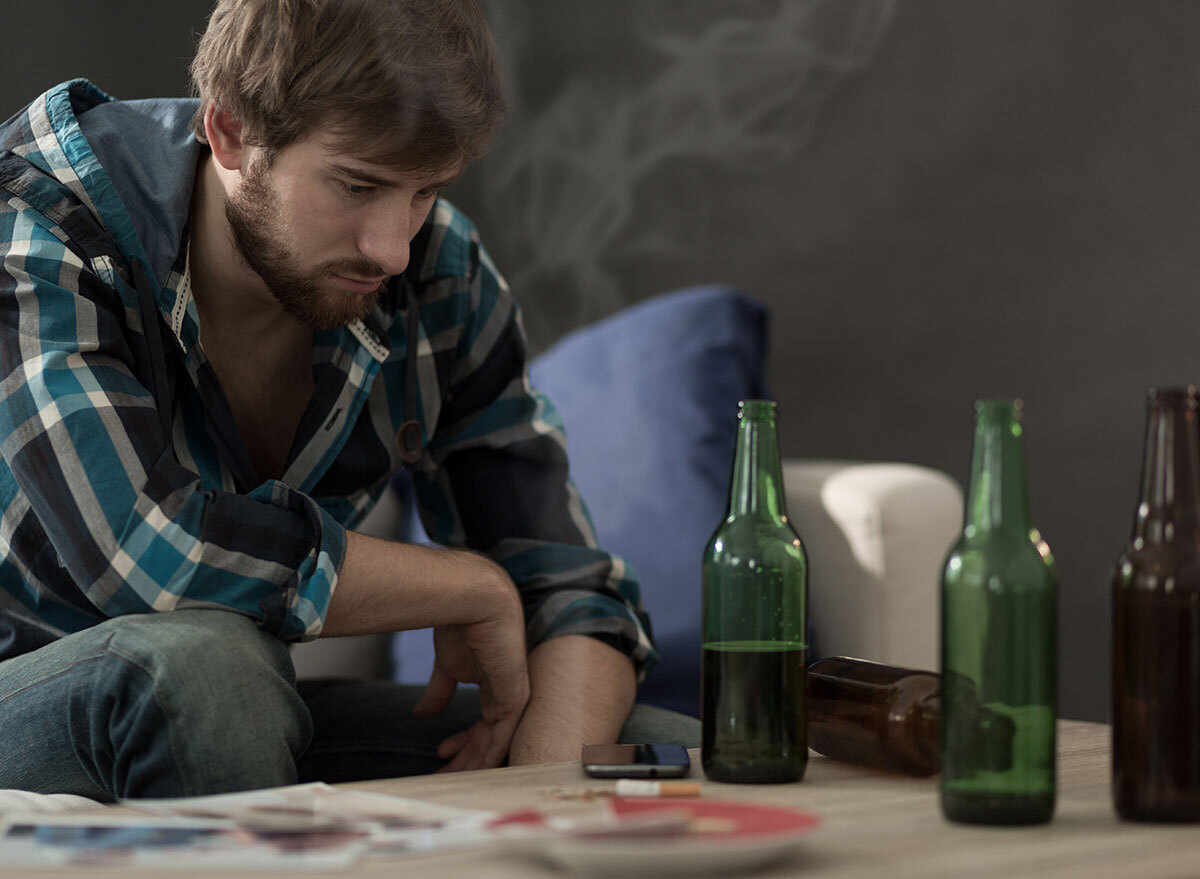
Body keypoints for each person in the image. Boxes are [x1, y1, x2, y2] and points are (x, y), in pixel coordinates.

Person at [0, 0, 696, 801]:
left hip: (246, 710)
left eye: (425, 192)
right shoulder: (41, 227)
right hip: (39, 697)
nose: (391, 247)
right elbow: (141, 548)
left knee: (670, 755)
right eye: (357, 184)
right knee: (206, 667)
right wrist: (467, 583)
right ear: (228, 131)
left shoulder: (438, 272)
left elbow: (568, 589)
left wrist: (542, 805)